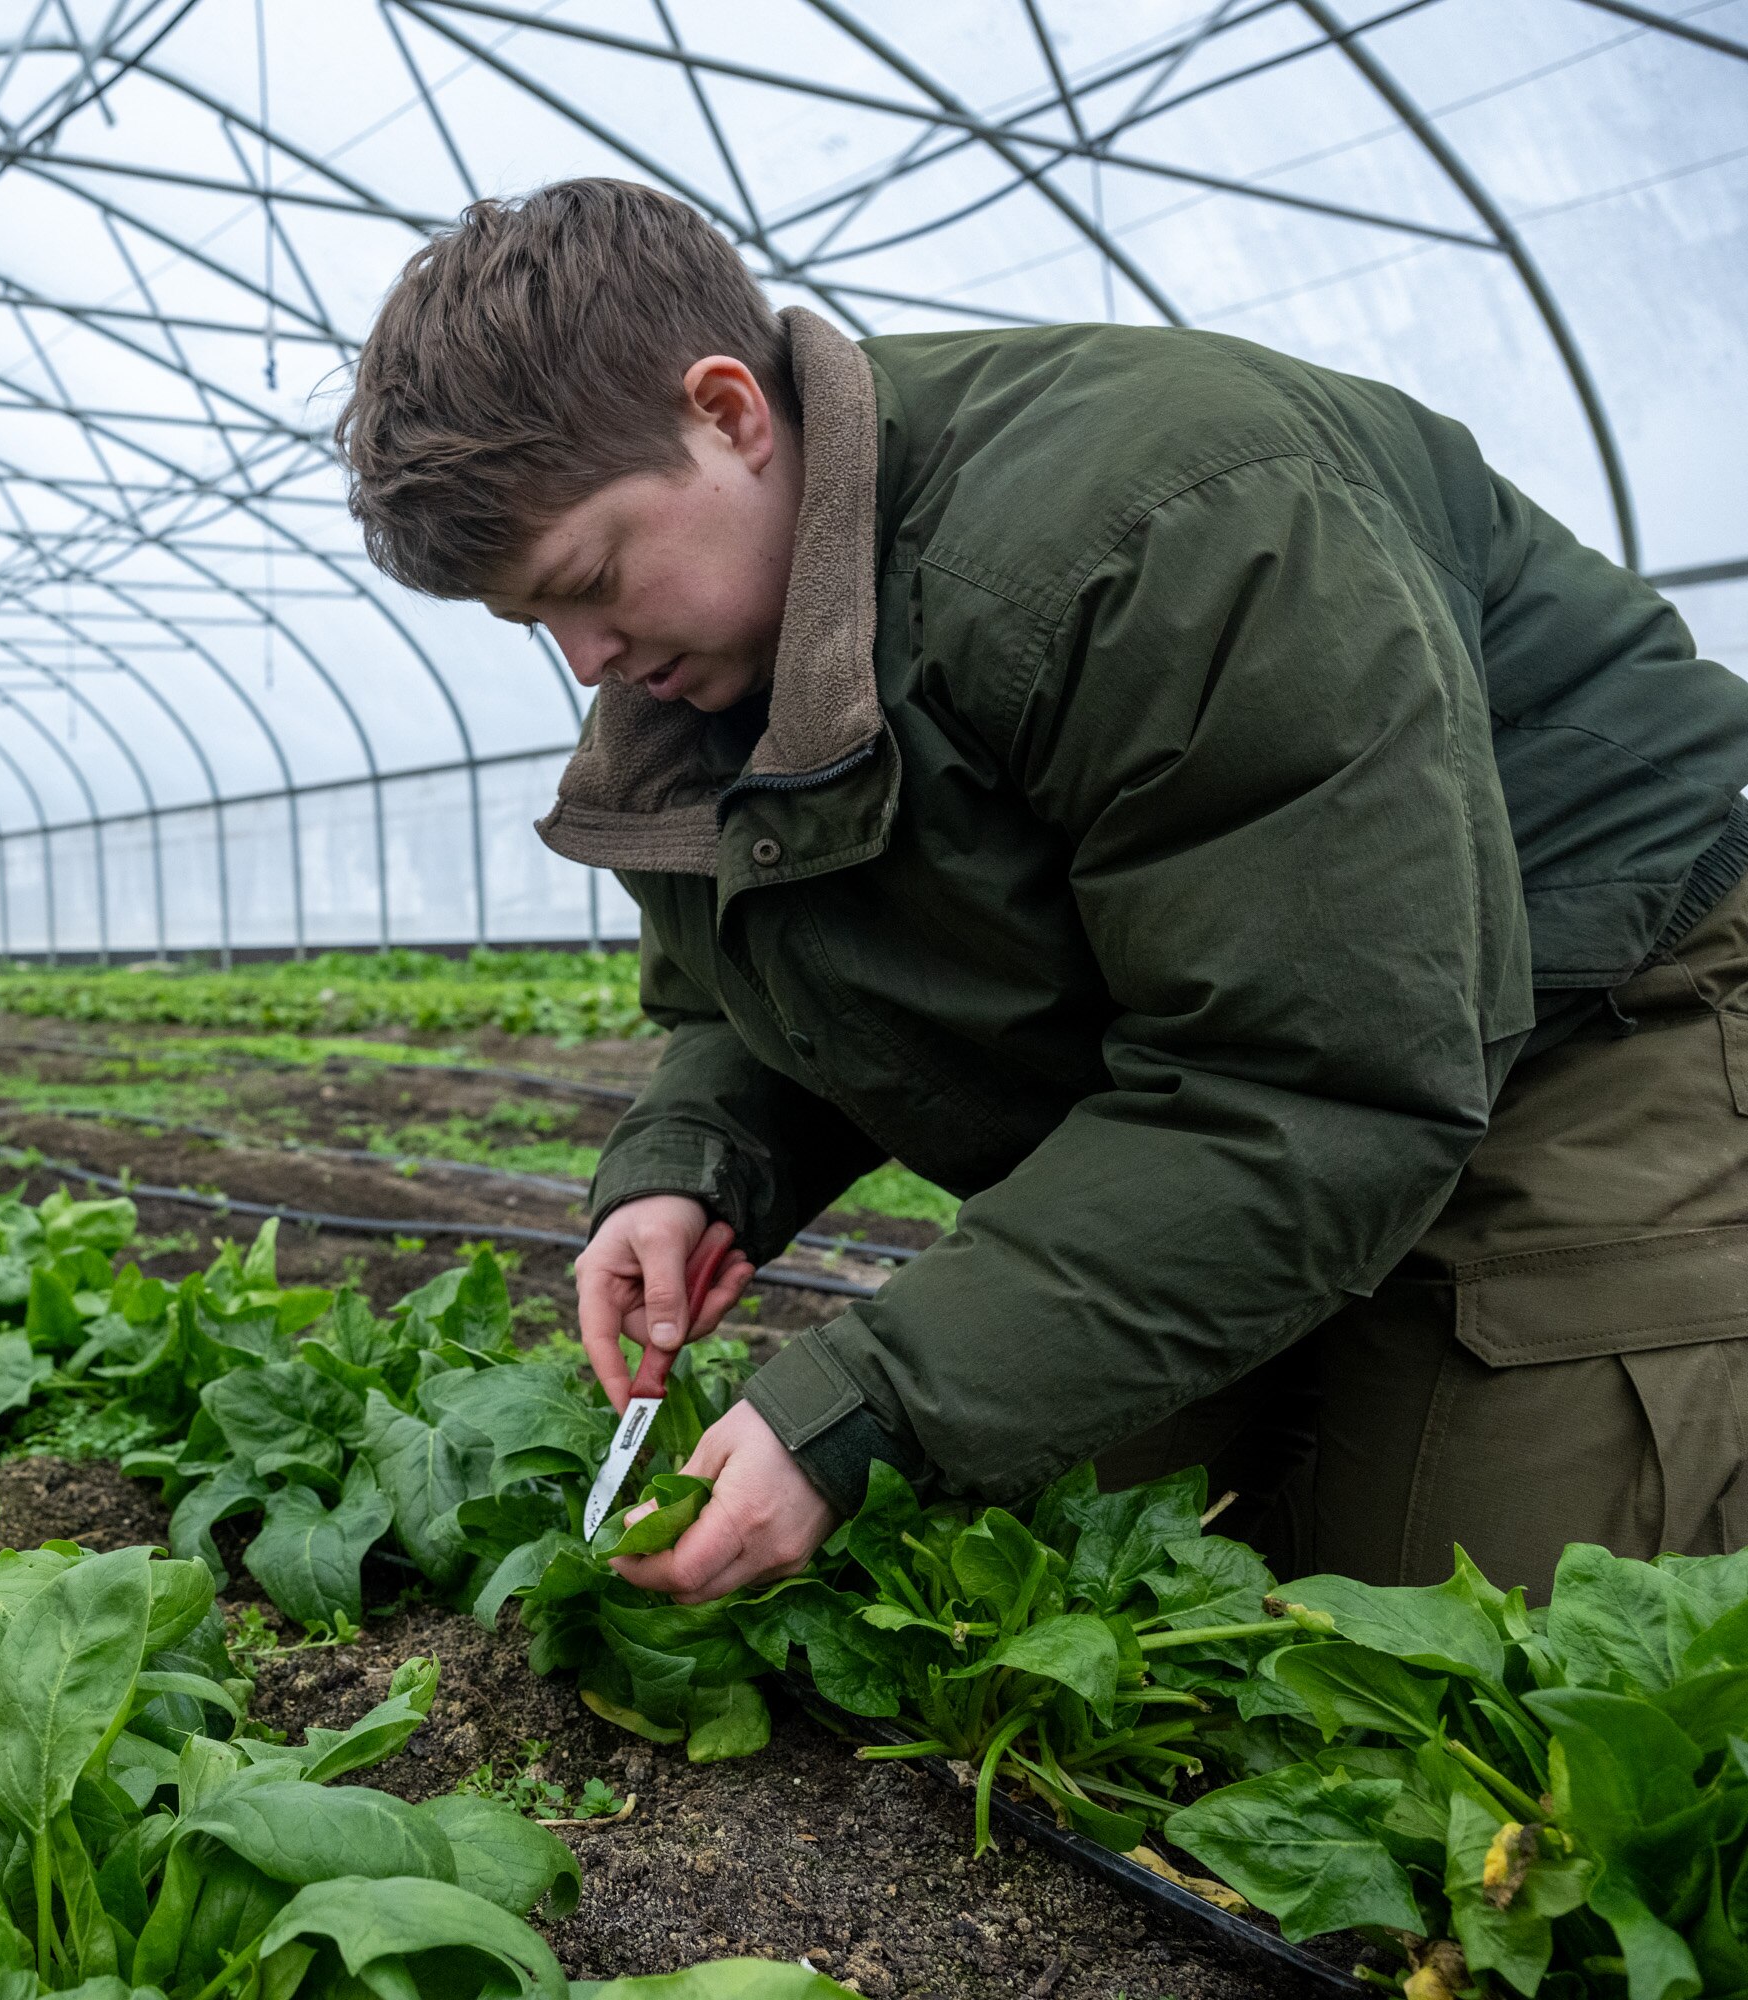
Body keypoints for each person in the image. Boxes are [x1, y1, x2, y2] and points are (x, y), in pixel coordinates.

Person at [334, 178, 1748, 1602]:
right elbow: (773, 973)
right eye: (537, 623)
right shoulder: (708, 669)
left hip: (1599, 1008)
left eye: (591, 579)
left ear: (729, 413)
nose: (585, 661)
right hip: (1261, 1067)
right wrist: (694, 1165)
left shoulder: (1155, 537)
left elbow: (1323, 1074)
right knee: (1118, 1584)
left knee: (1468, 1638)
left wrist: (868, 1401)